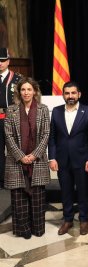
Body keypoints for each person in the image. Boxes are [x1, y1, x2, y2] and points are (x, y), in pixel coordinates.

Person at [4, 77, 50, 239]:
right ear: (19, 92)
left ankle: (37, 229)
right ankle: (23, 230)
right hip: (17, 161)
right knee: (19, 197)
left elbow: (46, 134)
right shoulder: (11, 110)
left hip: (36, 160)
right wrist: (21, 156)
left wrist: (34, 155)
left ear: (35, 91)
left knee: (37, 197)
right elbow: (8, 136)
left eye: (29, 89)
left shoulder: (43, 109)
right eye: (23, 89)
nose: (26, 92)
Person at [48, 82, 88, 236]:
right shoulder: (56, 111)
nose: (70, 96)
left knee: (82, 191)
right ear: (63, 95)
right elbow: (52, 137)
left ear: (79, 94)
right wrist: (52, 158)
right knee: (65, 191)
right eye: (67, 93)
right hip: (62, 160)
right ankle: (67, 219)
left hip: (82, 160)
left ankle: (83, 220)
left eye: (73, 93)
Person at [0, 47, 22, 188]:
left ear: (8, 61)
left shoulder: (17, 79)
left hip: (12, 117)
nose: (0, 64)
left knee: (15, 149)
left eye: (2, 60)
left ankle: (16, 179)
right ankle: (2, 180)